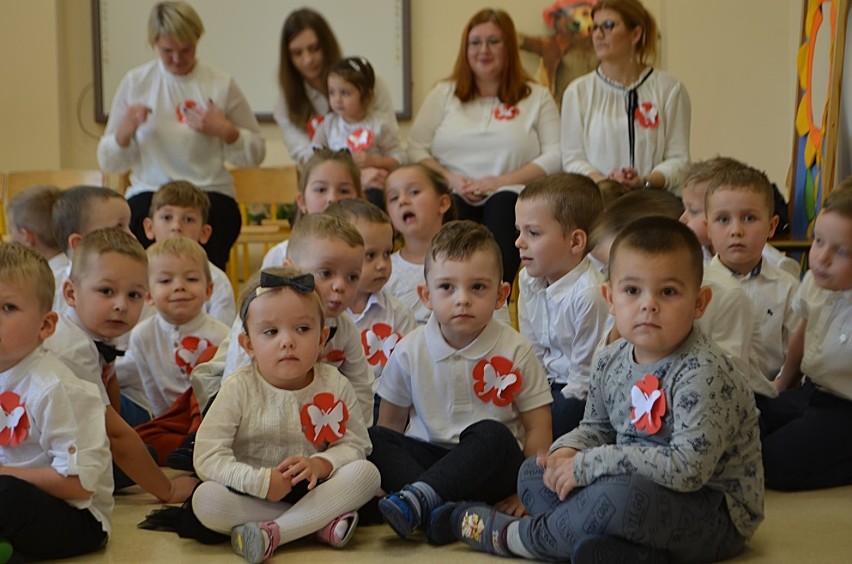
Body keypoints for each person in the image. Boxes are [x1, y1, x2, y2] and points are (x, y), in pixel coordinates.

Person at [446, 217, 764, 563]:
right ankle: (627, 553)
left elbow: (687, 469)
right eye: (632, 291)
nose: (648, 305)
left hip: (713, 509)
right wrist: (566, 452)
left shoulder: (704, 371)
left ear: (699, 302)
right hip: (632, 487)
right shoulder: (610, 358)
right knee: (535, 474)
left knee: (620, 497)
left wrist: (590, 464)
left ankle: (519, 537)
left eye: (668, 292)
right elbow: (597, 428)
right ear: (610, 297)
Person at [370, 221, 552, 542]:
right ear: (426, 295)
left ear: (501, 294)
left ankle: (422, 500)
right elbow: (390, 425)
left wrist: (527, 493)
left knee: (491, 434)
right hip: (429, 459)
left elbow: (538, 426)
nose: (462, 299)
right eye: (447, 288)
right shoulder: (409, 350)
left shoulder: (516, 349)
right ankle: (445, 511)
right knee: (376, 439)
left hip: (492, 469)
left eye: (478, 287)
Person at [192, 266, 380, 563]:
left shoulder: (334, 383)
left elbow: (356, 444)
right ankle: (316, 525)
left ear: (322, 339)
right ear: (248, 344)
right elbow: (207, 456)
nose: (287, 341)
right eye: (271, 332)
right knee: (205, 500)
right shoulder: (239, 388)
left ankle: (275, 532)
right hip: (255, 494)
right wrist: (259, 481)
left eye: (302, 329)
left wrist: (321, 464)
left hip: (316, 489)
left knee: (367, 474)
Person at [97, 1, 265, 270]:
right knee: (134, 216)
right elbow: (108, 161)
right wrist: (125, 131)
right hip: (151, 190)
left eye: (186, 50)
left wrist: (225, 131)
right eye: (167, 51)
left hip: (208, 190)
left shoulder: (220, 84)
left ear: (197, 41)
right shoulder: (136, 82)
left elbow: (256, 152)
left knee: (220, 218)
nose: (177, 59)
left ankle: (210, 297)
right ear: (154, 44)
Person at [407, 8, 561, 284]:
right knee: (449, 208)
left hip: (511, 191)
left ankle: (497, 299)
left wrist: (499, 181)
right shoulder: (443, 93)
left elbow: (556, 154)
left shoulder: (537, 97)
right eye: (475, 42)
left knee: (503, 206)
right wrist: (452, 179)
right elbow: (416, 148)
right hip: (454, 190)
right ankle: (446, 294)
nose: (484, 50)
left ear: (510, 47)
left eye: (494, 41)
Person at [44, 228, 197, 503]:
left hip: (72, 439)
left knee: (142, 449)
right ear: (70, 293)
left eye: (134, 295)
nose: (121, 305)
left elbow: (109, 381)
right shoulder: (72, 347)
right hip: (41, 457)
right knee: (136, 454)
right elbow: (113, 432)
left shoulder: (97, 330)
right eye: (106, 291)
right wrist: (168, 490)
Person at [193, 214, 375, 428]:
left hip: (304, 398)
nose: (340, 286)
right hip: (245, 393)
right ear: (293, 270)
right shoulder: (259, 312)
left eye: (352, 277)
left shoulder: (345, 328)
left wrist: (359, 433)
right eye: (326, 273)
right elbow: (235, 378)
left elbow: (361, 385)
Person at [0, 243, 113, 561]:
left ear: (45, 325)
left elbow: (79, 485)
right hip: (22, 503)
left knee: (5, 495)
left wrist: (4, 472)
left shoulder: (53, 387)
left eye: (8, 307)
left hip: (77, 517)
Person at [762, 186, 852, 490]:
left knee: (773, 462)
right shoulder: (816, 280)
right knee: (749, 418)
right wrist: (782, 382)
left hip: (844, 408)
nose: (821, 258)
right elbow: (802, 331)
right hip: (810, 391)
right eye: (818, 241)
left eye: (841, 252)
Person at [515, 173, 608, 439]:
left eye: (532, 233)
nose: (519, 242)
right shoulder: (528, 279)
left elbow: (584, 378)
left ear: (576, 242)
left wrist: (540, 413)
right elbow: (531, 350)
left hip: (579, 390)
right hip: (544, 382)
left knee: (561, 415)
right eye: (518, 230)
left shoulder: (590, 294)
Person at [561, 0, 690, 192]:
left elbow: (679, 159)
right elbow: (572, 159)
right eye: (594, 27)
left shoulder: (670, 89)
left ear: (636, 34)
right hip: (599, 202)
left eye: (608, 25)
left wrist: (645, 181)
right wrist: (607, 183)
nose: (598, 34)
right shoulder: (578, 91)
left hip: (653, 200)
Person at [122, 238, 229, 465]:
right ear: (148, 295)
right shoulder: (142, 334)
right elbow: (151, 391)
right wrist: (165, 422)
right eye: (165, 280)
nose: (179, 286)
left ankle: (196, 443)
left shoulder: (221, 335)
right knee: (140, 441)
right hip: (171, 420)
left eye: (191, 279)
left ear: (209, 290)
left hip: (210, 419)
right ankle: (189, 449)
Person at [274, 7, 397, 193]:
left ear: (327, 46)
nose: (307, 60)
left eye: (314, 49)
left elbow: (390, 141)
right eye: (297, 53)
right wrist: (352, 178)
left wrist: (374, 167)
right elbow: (307, 157)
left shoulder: (370, 82)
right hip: (324, 186)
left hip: (377, 183)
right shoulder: (285, 104)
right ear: (288, 57)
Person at [704, 161, 799, 379]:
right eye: (723, 219)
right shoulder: (697, 286)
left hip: (772, 394)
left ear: (772, 226)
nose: (736, 230)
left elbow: (796, 354)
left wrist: (779, 389)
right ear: (707, 227)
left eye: (749, 218)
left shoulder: (788, 287)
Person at [324, 199, 415, 388]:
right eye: (370, 255)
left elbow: (407, 373)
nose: (382, 264)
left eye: (387, 253)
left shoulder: (399, 314)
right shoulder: (323, 314)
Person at [681, 157, 801, 277]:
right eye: (724, 219)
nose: (682, 218)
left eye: (693, 211)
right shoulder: (690, 256)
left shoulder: (779, 268)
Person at [312, 57, 405, 207]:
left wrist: (375, 162)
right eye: (332, 92)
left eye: (345, 93)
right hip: (336, 187)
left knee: (373, 200)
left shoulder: (379, 124)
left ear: (367, 96)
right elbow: (317, 155)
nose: (337, 99)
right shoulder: (328, 124)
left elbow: (399, 157)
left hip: (371, 188)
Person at [141, 180, 236, 325]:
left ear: (205, 233)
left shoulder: (217, 281)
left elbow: (224, 340)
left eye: (188, 219)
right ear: (149, 227)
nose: (176, 226)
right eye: (167, 217)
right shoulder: (137, 274)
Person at [261, 148, 363, 270]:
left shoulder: (368, 255)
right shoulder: (279, 256)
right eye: (321, 190)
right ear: (302, 201)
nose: (332, 198)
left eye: (344, 191)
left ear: (359, 200)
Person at [51, 185, 132, 313]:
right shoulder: (50, 291)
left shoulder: (137, 287)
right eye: (118, 228)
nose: (132, 236)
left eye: (129, 226)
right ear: (80, 244)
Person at [4, 184, 68, 280]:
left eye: (11, 231)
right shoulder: (79, 269)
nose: (9, 239)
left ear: (27, 237)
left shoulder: (43, 284)